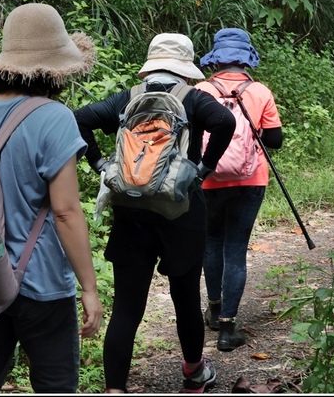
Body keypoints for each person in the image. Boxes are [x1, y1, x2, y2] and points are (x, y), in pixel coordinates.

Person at [0, 3, 103, 393]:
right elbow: (66, 212)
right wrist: (89, 288)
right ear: (56, 69)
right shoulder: (54, 117)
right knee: (55, 384)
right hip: (42, 282)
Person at [75, 33, 235, 394]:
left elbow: (78, 119)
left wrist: (100, 165)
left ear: (150, 66)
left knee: (127, 307)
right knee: (185, 298)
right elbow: (225, 122)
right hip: (182, 212)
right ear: (185, 69)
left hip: (130, 211)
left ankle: (115, 389)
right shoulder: (193, 98)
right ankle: (193, 374)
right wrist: (203, 169)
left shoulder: (128, 98)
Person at [195, 29, 283, 352]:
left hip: (208, 179)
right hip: (250, 181)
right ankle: (227, 329)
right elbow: (275, 140)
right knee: (235, 249)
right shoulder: (260, 92)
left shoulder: (201, 90)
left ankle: (214, 309)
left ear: (215, 59)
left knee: (212, 242)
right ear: (246, 58)